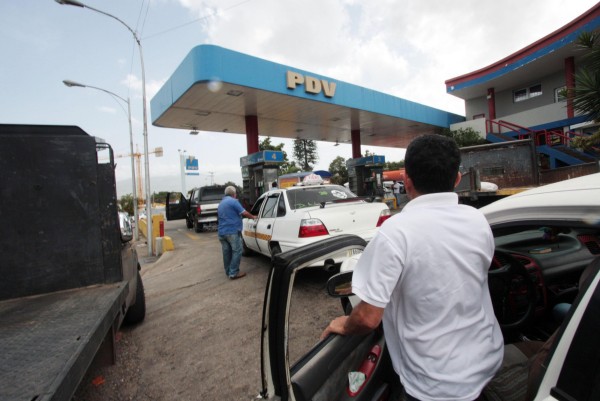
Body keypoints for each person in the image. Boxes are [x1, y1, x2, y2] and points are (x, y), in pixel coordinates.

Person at [321, 134, 503, 401]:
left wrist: (345, 324)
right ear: (457, 179)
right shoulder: (477, 220)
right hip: (486, 361)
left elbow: (369, 317)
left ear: (406, 181)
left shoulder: (395, 233)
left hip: (434, 383)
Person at [217, 186, 257, 280]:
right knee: (237, 251)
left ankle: (229, 271)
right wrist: (253, 217)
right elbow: (244, 213)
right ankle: (234, 272)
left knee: (226, 252)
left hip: (222, 232)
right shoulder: (233, 201)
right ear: (234, 194)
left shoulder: (221, 203)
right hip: (232, 231)